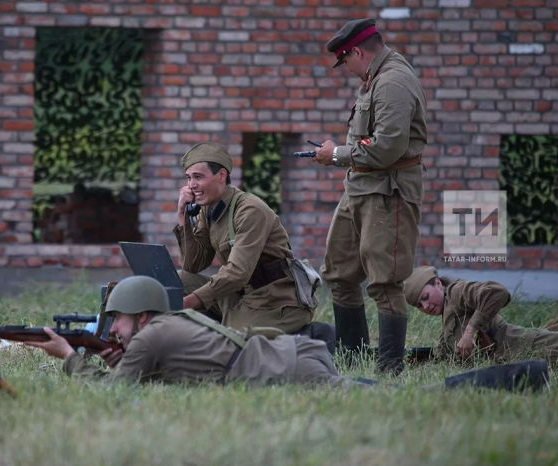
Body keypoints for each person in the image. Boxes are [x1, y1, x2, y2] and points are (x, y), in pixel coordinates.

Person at [27, 276, 549, 393]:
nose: (110, 328)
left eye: (115, 319)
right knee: (374, 393)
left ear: (140, 316)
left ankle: (527, 375)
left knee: (425, 395)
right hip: (295, 353)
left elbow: (116, 393)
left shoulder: (149, 337)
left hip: (286, 368)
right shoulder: (166, 326)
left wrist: (66, 356)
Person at [311, 18, 428, 374]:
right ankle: (353, 358)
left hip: (387, 193)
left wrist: (335, 155)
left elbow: (388, 148)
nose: (346, 69)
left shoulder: (393, 81)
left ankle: (389, 367)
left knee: (385, 281)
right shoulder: (374, 79)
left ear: (358, 52)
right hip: (359, 189)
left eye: (345, 61)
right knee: (339, 273)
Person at [171, 141, 323, 338]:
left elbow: (237, 273)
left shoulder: (250, 210)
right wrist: (182, 215)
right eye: (189, 178)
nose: (191, 185)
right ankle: (222, 326)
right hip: (242, 294)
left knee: (235, 344)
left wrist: (190, 302)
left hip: (277, 300)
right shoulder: (208, 208)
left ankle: (312, 334)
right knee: (179, 280)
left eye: (198, 177)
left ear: (222, 176)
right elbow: (193, 264)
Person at [404, 266, 558, 364]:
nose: (425, 306)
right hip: (509, 359)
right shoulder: (446, 310)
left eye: (425, 297)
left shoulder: (457, 291)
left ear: (438, 284)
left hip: (521, 346)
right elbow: (443, 356)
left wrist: (469, 332)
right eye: (419, 305)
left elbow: (497, 292)